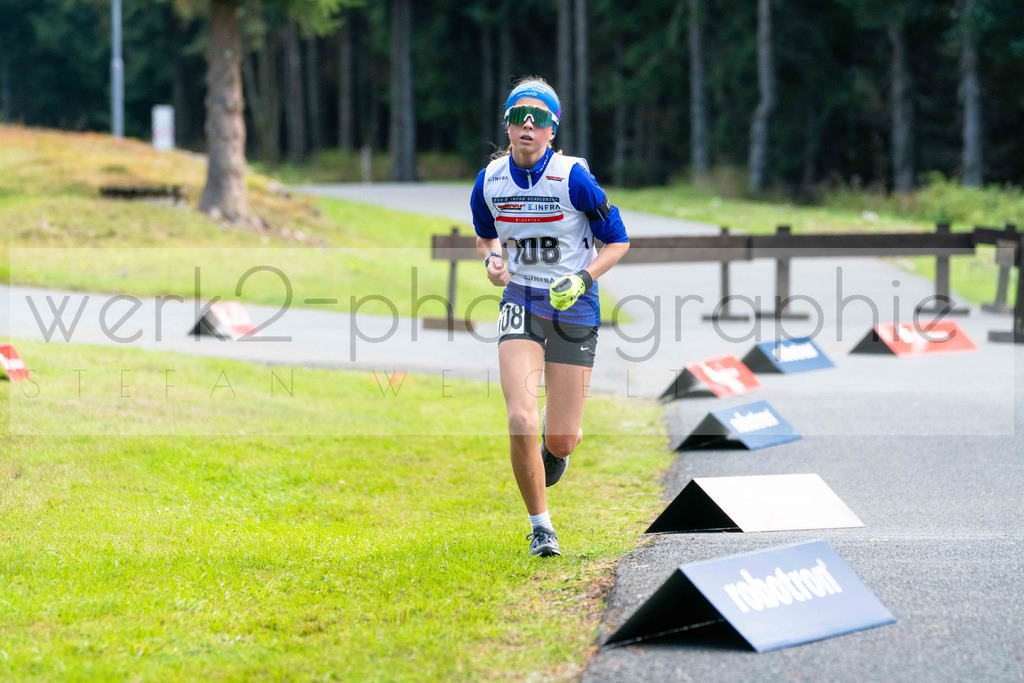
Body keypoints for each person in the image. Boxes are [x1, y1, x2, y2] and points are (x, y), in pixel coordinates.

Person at [470, 77, 630, 557]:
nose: (528, 125)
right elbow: (485, 234)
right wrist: (492, 259)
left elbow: (618, 241)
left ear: (552, 130)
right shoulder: (489, 180)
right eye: (519, 116)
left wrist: (582, 278)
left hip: (573, 306)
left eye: (539, 118)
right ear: (507, 124)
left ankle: (556, 443)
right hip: (521, 299)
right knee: (519, 416)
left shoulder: (573, 178)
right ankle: (541, 527)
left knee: (560, 439)